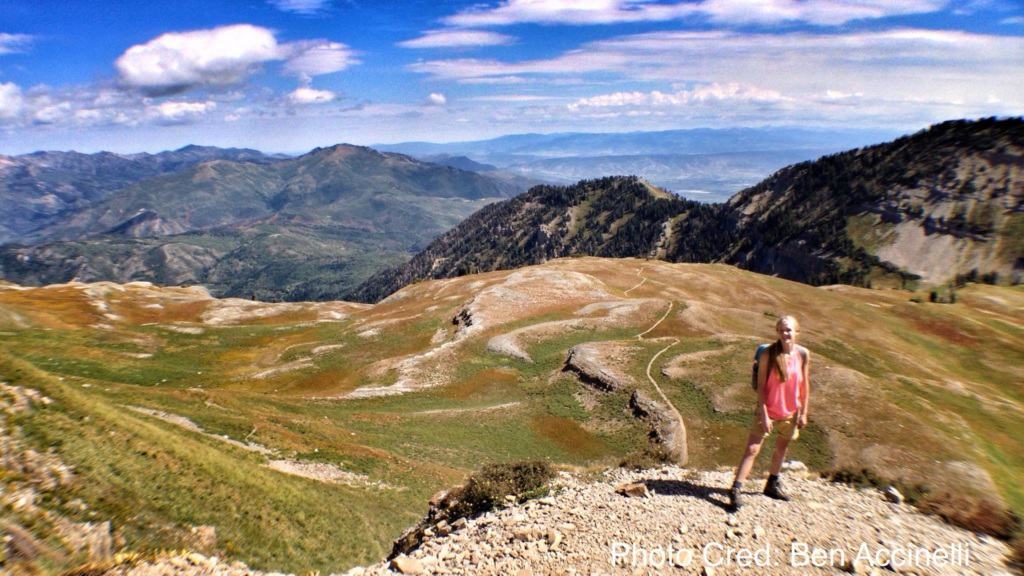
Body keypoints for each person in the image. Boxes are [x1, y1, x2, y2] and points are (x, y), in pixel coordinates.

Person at [728, 315, 810, 511]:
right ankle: (735, 489)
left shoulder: (803, 354)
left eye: (788, 330)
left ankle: (772, 483)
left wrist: (803, 412)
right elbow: (762, 387)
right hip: (768, 410)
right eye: (781, 330)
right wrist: (764, 414)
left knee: (781, 449)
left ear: (797, 332)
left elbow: (804, 385)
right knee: (752, 450)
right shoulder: (768, 355)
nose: (785, 333)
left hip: (790, 412)